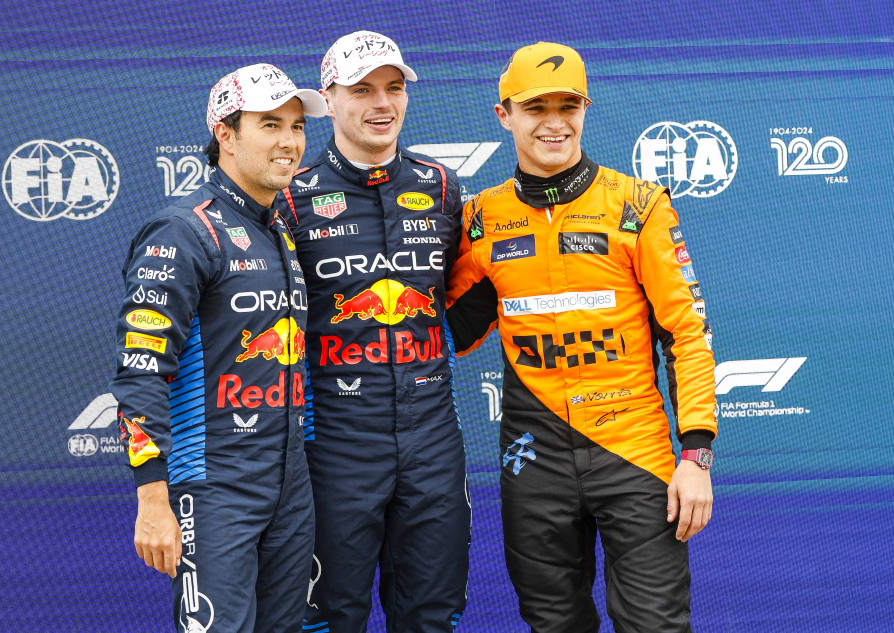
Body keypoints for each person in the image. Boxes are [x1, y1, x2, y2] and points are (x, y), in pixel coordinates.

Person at [445, 42, 718, 633]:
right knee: (553, 623)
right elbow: (449, 333)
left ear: (585, 110)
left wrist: (696, 455)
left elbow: (686, 333)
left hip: (633, 453)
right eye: (535, 107)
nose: (554, 122)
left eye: (567, 106)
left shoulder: (638, 206)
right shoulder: (482, 220)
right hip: (534, 457)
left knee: (655, 625)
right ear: (504, 115)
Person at [110, 63, 327, 633]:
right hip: (213, 485)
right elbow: (140, 372)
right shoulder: (183, 230)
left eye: (298, 126)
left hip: (289, 484)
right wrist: (151, 497)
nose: (290, 142)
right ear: (225, 135)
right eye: (270, 125)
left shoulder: (279, 227)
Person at [275, 30, 470, 633]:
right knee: (330, 616)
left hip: (432, 437)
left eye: (393, 88)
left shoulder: (442, 187)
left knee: (431, 615)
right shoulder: (290, 197)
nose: (382, 103)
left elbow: (465, 301)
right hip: (336, 441)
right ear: (329, 100)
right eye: (362, 90)